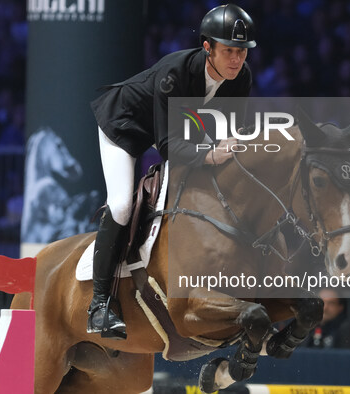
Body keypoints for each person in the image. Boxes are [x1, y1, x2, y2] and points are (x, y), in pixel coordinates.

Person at [87, 3, 256, 339]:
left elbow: (226, 132)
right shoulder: (175, 73)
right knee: (121, 203)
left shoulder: (241, 79)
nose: (236, 60)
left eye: (241, 52)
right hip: (125, 128)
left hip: (178, 132)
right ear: (207, 47)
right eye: (228, 51)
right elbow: (167, 148)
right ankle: (99, 305)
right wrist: (211, 154)